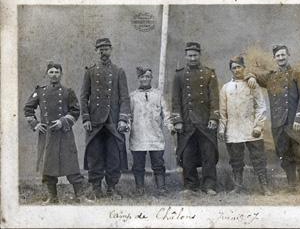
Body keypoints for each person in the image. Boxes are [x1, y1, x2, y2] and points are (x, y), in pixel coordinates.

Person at [246, 45, 300, 193]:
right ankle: (292, 186)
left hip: (294, 122)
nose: (281, 58)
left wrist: (299, 119)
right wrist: (251, 76)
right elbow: (251, 73)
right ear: (274, 58)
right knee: (285, 154)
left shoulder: (297, 74)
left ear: (288, 55)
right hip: (278, 123)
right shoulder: (271, 76)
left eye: (283, 55)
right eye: (278, 56)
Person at [24, 62, 90, 204]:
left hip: (65, 133)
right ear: (47, 74)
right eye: (51, 72)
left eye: (57, 72)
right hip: (47, 135)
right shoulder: (40, 92)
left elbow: (75, 111)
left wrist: (63, 121)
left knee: (71, 164)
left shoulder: (68, 92)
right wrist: (35, 124)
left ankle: (80, 196)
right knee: (48, 166)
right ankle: (52, 197)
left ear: (61, 74)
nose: (54, 75)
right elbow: (28, 109)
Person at [80, 38, 131, 200]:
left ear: (111, 50)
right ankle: (96, 188)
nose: (103, 52)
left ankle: (111, 188)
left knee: (114, 155)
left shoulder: (118, 72)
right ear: (96, 51)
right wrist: (86, 118)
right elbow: (83, 97)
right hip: (95, 122)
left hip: (113, 122)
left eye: (106, 49)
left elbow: (125, 98)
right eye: (100, 49)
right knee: (95, 155)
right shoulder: (90, 72)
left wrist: (123, 119)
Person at [218, 56, 272, 196]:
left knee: (258, 158)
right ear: (231, 70)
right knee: (236, 160)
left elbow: (261, 106)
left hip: (251, 127)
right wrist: (222, 129)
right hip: (233, 129)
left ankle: (264, 187)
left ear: (244, 67)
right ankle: (238, 186)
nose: (236, 70)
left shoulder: (252, 84)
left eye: (239, 67)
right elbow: (223, 111)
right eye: (233, 68)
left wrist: (258, 126)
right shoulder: (226, 88)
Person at [172, 42, 219, 195]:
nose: (192, 58)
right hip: (187, 122)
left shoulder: (208, 73)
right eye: (189, 55)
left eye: (195, 55)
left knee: (208, 154)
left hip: (205, 121)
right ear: (185, 56)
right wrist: (177, 120)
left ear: (199, 55)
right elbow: (175, 100)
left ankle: (209, 186)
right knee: (187, 156)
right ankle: (190, 186)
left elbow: (214, 98)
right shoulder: (179, 75)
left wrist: (214, 117)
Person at [129, 66, 172, 196]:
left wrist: (170, 126)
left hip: (155, 135)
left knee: (158, 163)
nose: (145, 79)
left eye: (147, 76)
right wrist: (126, 126)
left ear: (151, 78)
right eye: (142, 77)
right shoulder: (132, 96)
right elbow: (128, 115)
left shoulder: (158, 95)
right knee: (138, 165)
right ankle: (140, 189)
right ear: (138, 78)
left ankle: (161, 188)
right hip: (138, 135)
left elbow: (166, 113)